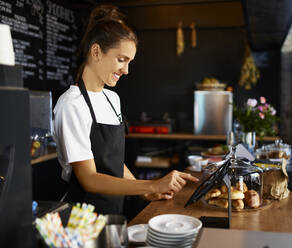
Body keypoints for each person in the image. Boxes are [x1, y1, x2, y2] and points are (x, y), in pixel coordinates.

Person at [52, 4, 199, 215]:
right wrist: (151, 185)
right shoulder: (72, 105)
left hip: (114, 211)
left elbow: (113, 161)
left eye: (129, 62)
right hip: (82, 218)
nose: (126, 70)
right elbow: (89, 179)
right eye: (121, 60)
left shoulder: (112, 99)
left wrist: (145, 193)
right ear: (96, 52)